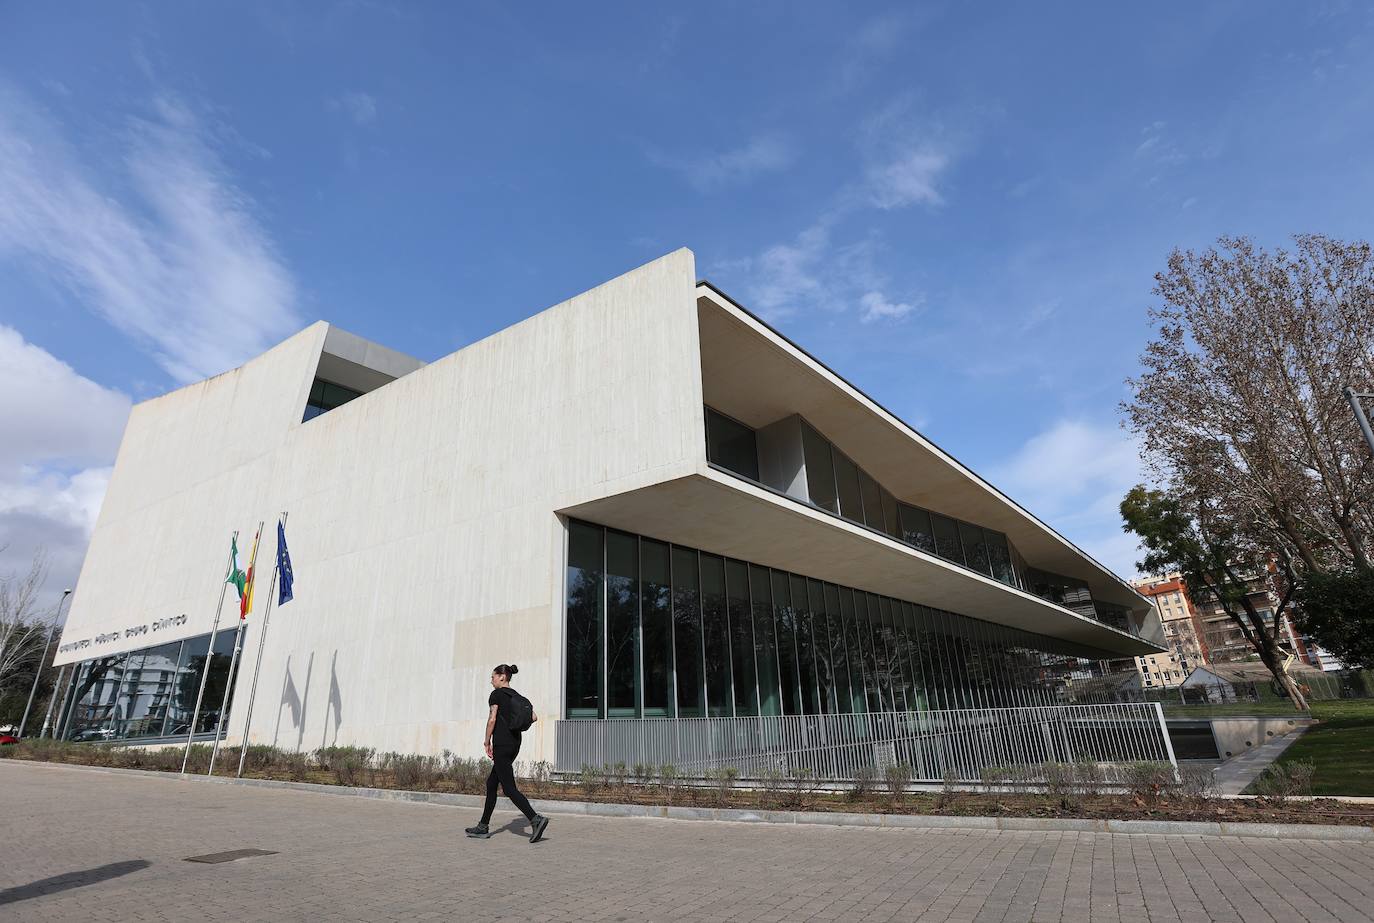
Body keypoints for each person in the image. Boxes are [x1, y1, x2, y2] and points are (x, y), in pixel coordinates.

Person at [465, 664, 548, 843]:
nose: (491, 680)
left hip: (502, 744)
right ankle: (482, 826)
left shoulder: (496, 694)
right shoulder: (517, 696)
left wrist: (487, 741)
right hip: (514, 744)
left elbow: (492, 718)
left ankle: (535, 819)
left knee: (509, 788)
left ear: (502, 676)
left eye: (493, 676)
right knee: (491, 783)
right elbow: (533, 717)